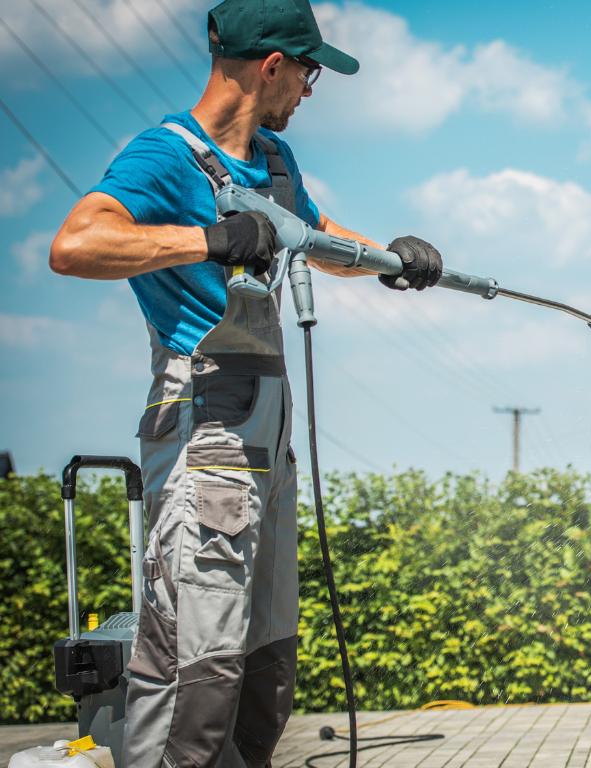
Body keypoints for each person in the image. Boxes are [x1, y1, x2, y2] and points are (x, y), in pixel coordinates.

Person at [48, 1, 441, 765]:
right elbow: (76, 243)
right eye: (308, 70)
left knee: (263, 652)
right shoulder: (165, 156)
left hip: (270, 428)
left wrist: (393, 261)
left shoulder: (276, 163)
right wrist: (208, 238)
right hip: (206, 425)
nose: (311, 88)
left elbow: (319, 240)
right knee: (198, 657)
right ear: (271, 67)